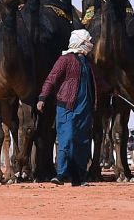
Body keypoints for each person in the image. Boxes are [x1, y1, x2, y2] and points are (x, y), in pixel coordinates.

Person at [38, 28, 97, 186]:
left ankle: (79, 177)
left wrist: (112, 89)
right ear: (79, 43)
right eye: (87, 42)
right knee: (67, 139)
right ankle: (62, 173)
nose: (89, 45)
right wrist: (42, 97)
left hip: (85, 109)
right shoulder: (65, 59)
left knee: (82, 142)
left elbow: (96, 81)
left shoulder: (87, 62)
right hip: (67, 107)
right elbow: (52, 78)